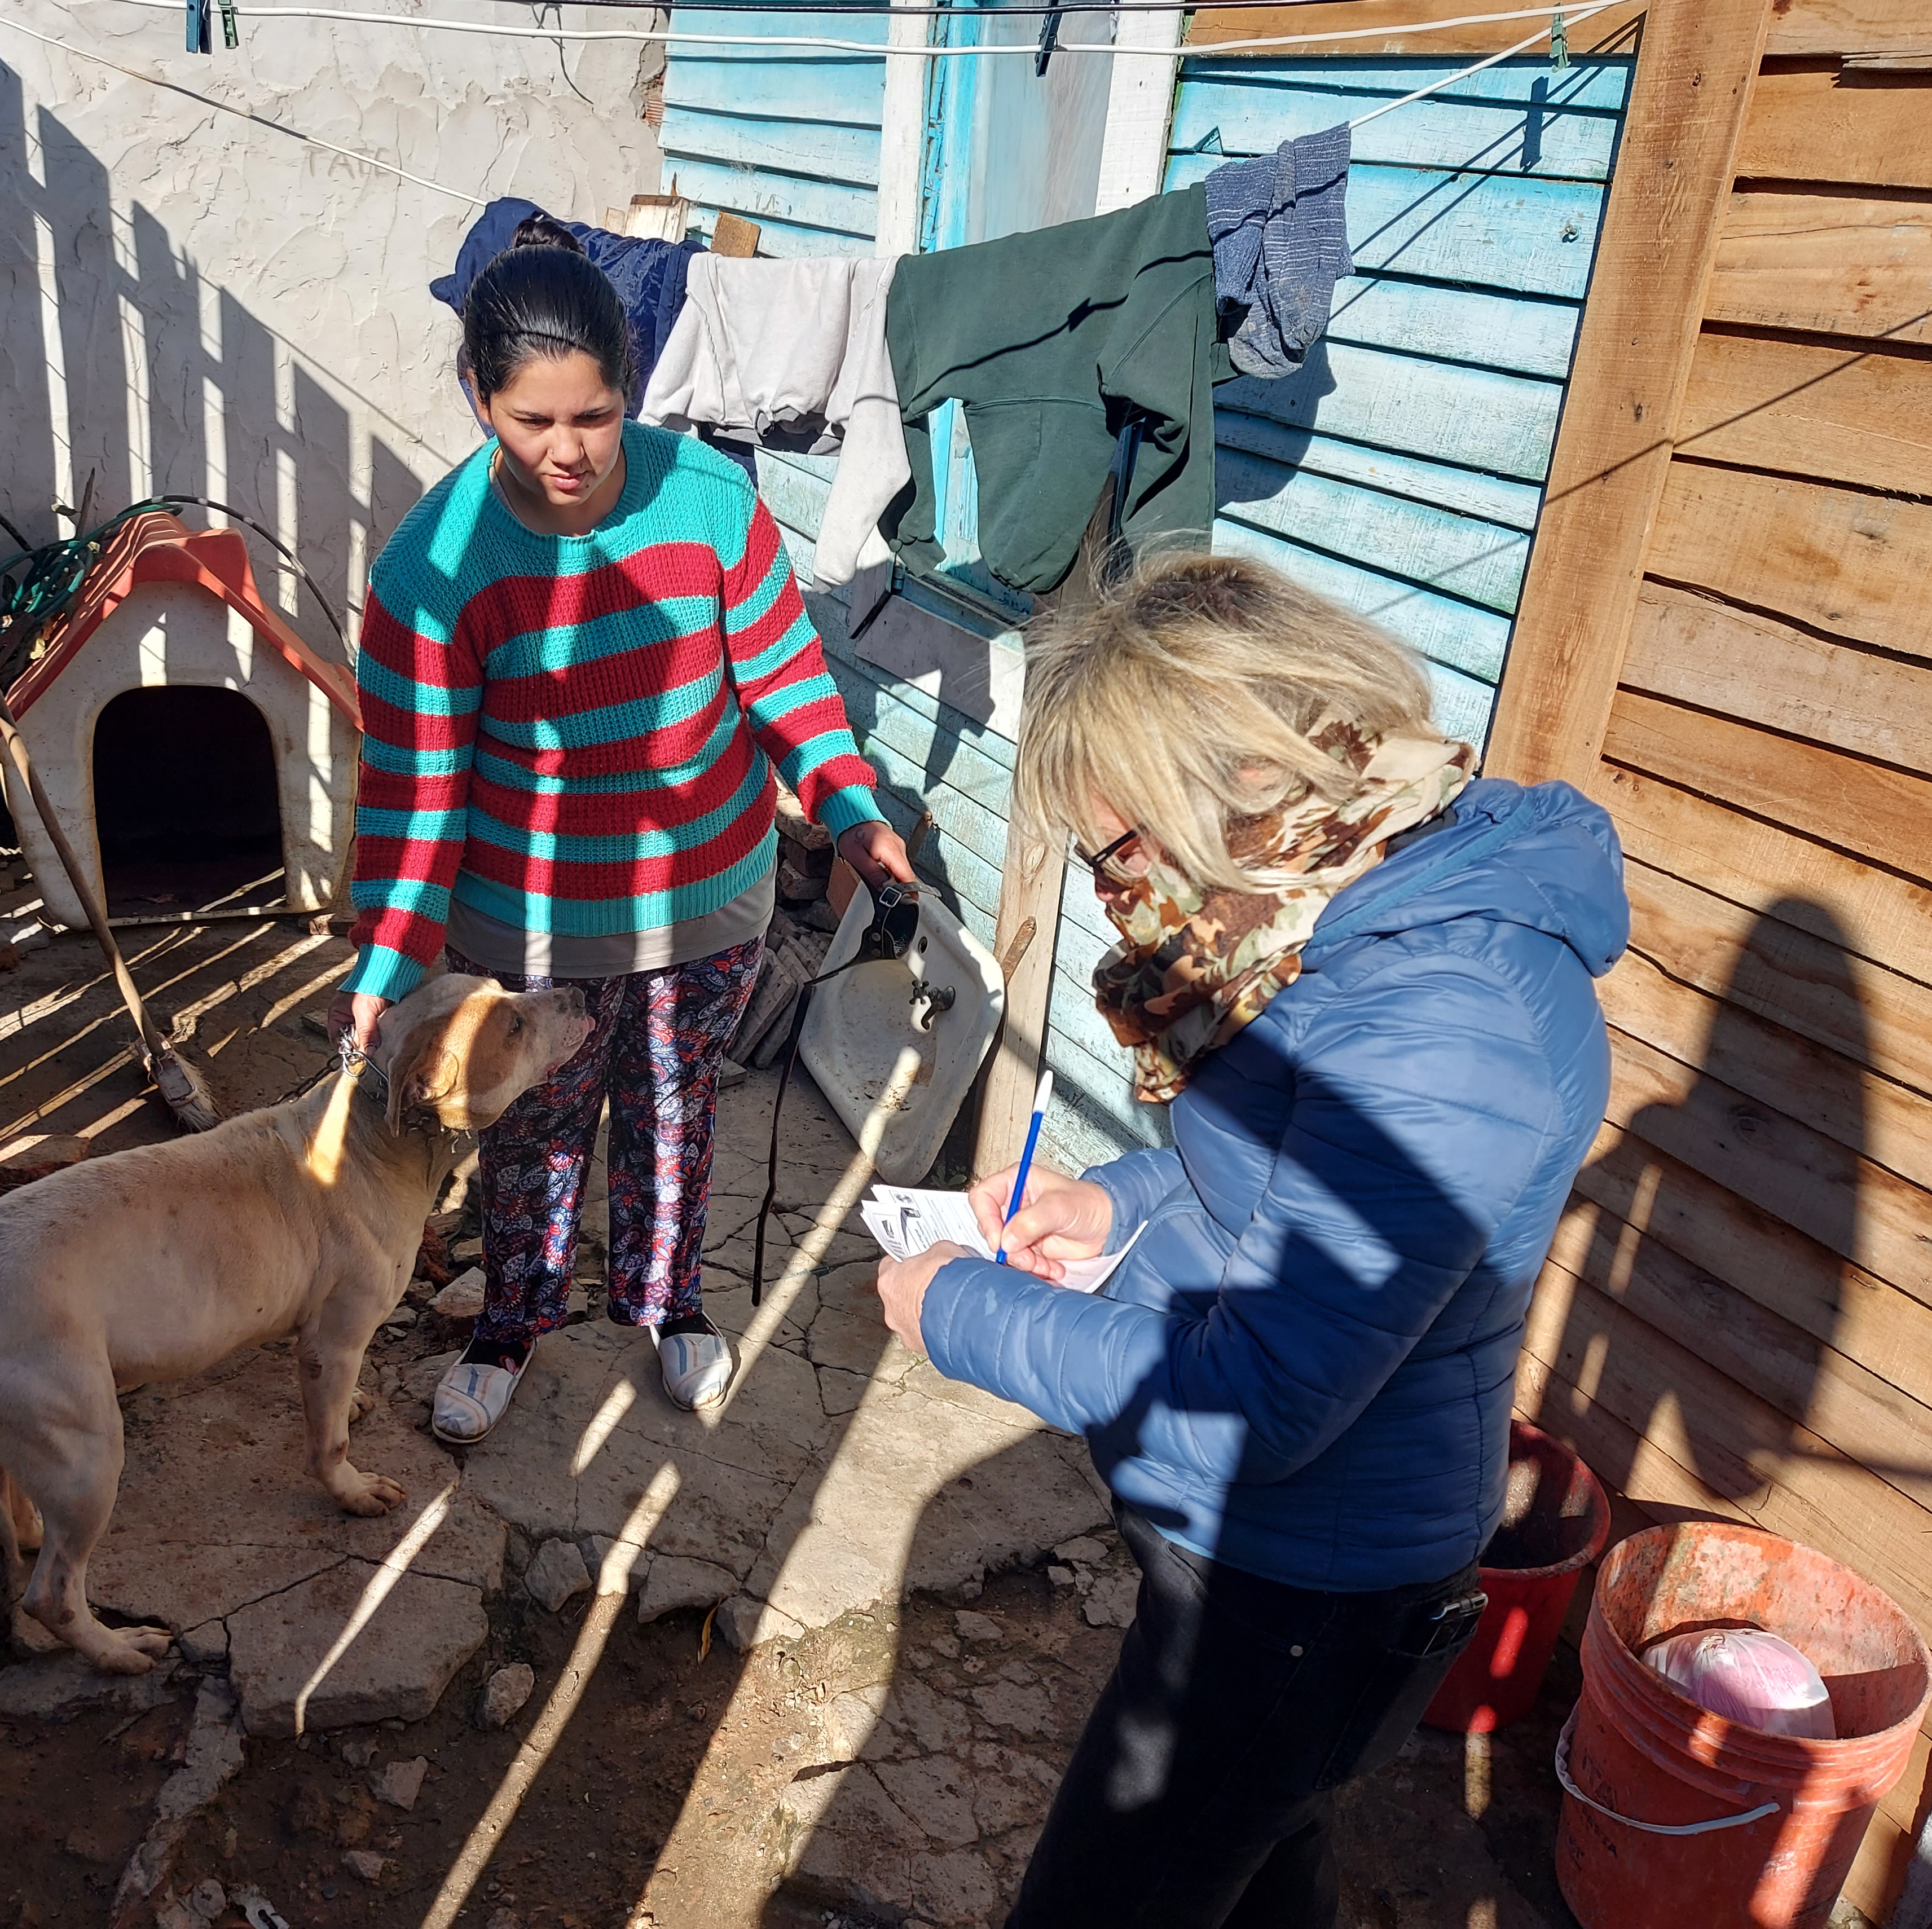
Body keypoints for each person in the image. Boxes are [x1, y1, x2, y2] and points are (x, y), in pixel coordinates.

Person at [871, 555, 1626, 1927]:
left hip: (1304, 1591)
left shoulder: (1441, 1015)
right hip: (1266, 1562)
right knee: (1257, 1871)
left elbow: (1259, 1404)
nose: (1107, 895)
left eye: (1114, 851)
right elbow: (1271, 1177)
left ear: (1238, 792)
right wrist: (1117, 1203)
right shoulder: (1333, 920)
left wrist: (956, 1312)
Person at [332, 214, 912, 1442]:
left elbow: (786, 680)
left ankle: (668, 1301)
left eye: (592, 416)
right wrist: (386, 969)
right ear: (477, 396)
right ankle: (512, 1322)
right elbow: (413, 790)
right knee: (535, 1134)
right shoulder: (433, 570)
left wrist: (851, 811)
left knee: (672, 1107)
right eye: (531, 421)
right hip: (531, 922)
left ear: (628, 389)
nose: (568, 452)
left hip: (708, 895)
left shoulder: (706, 502)